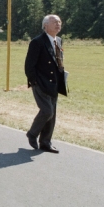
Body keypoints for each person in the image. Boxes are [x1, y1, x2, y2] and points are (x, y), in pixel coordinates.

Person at [25, 15, 67, 154]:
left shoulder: (58, 40)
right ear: (45, 25)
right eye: (55, 22)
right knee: (47, 111)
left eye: (59, 22)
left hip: (55, 82)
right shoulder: (37, 42)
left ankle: (45, 143)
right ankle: (32, 133)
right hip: (41, 83)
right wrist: (34, 81)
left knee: (52, 114)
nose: (58, 24)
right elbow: (29, 65)